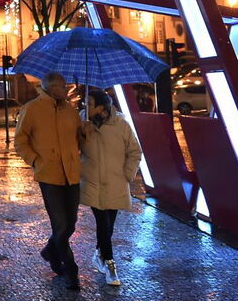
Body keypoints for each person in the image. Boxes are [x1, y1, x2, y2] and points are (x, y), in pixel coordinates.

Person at [14, 72, 84, 290]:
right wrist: (35, 160)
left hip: (71, 174)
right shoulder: (32, 109)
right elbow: (21, 140)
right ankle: (71, 271)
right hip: (49, 174)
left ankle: (49, 251)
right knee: (61, 224)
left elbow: (79, 140)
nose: (66, 89)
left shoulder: (71, 111)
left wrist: (85, 132)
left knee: (70, 224)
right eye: (63, 86)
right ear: (52, 87)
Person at [79, 89, 142, 286]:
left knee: (109, 225)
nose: (85, 107)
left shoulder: (121, 124)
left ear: (101, 107)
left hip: (116, 181)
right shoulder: (81, 122)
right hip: (92, 181)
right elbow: (72, 148)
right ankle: (110, 265)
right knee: (103, 224)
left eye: (89, 104)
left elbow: (134, 151)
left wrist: (127, 174)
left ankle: (99, 254)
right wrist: (82, 134)